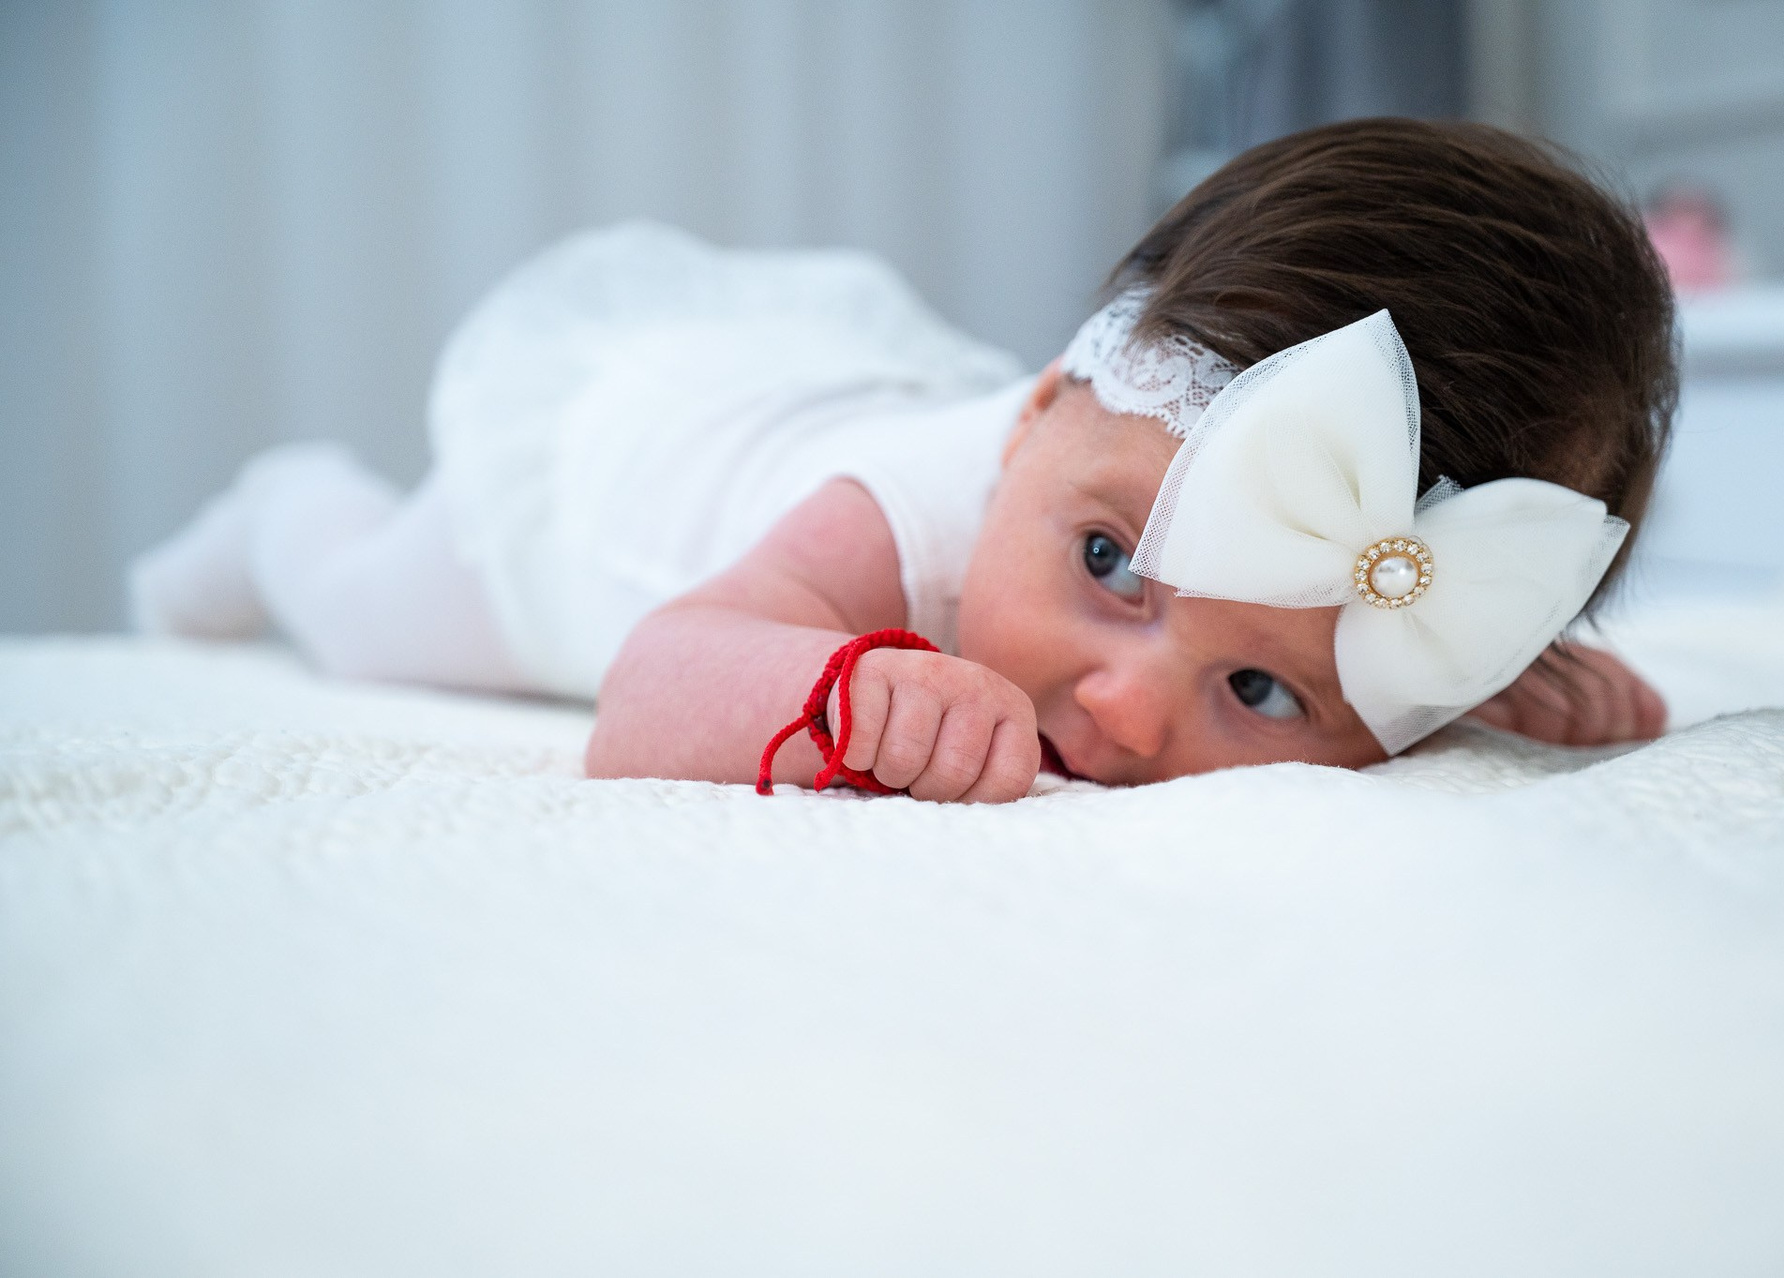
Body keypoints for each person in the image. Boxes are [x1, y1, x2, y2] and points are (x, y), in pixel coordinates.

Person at [132, 119, 1676, 802]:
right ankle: (275, 509)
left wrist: (1473, 689)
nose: (1124, 711)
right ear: (1036, 422)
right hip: (604, 491)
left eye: (1264, 689)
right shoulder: (911, 514)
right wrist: (849, 691)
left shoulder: (1135, 479)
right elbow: (649, 687)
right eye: (1110, 566)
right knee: (366, 609)